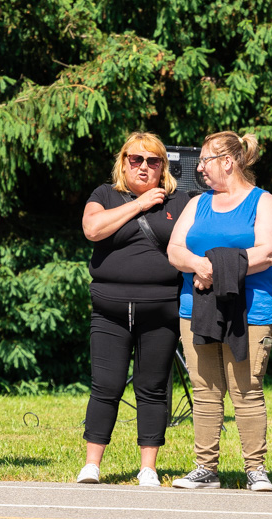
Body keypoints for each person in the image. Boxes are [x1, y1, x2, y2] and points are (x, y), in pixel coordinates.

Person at [167, 131, 272, 492]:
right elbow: (175, 250)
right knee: (205, 389)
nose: (199, 167)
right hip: (196, 307)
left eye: (204, 160)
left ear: (228, 162)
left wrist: (212, 270)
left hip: (250, 310)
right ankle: (206, 469)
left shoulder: (261, 202)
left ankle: (256, 469)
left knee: (246, 389)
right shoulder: (197, 203)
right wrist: (198, 266)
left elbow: (269, 251)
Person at [77, 132, 189, 487]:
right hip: (109, 310)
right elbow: (92, 229)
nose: (144, 166)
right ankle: (92, 465)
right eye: (136, 159)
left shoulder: (181, 201)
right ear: (123, 162)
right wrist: (139, 205)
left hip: (161, 310)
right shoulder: (105, 195)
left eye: (152, 161)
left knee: (152, 387)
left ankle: (148, 468)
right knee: (105, 386)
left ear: (163, 167)